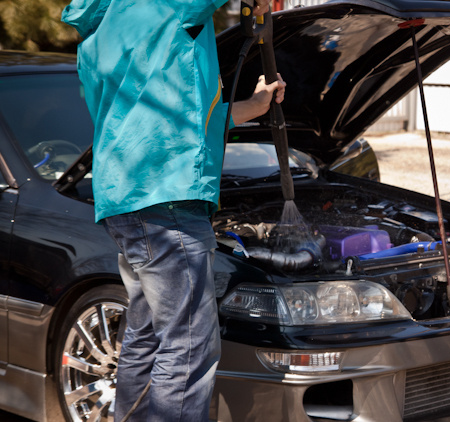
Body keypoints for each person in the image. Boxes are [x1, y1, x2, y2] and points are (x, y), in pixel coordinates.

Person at [61, 0, 285, 421]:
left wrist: (252, 107)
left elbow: (169, 118)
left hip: (129, 201)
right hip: (166, 200)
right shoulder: (163, 3)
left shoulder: (97, 33)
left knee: (146, 340)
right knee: (187, 346)